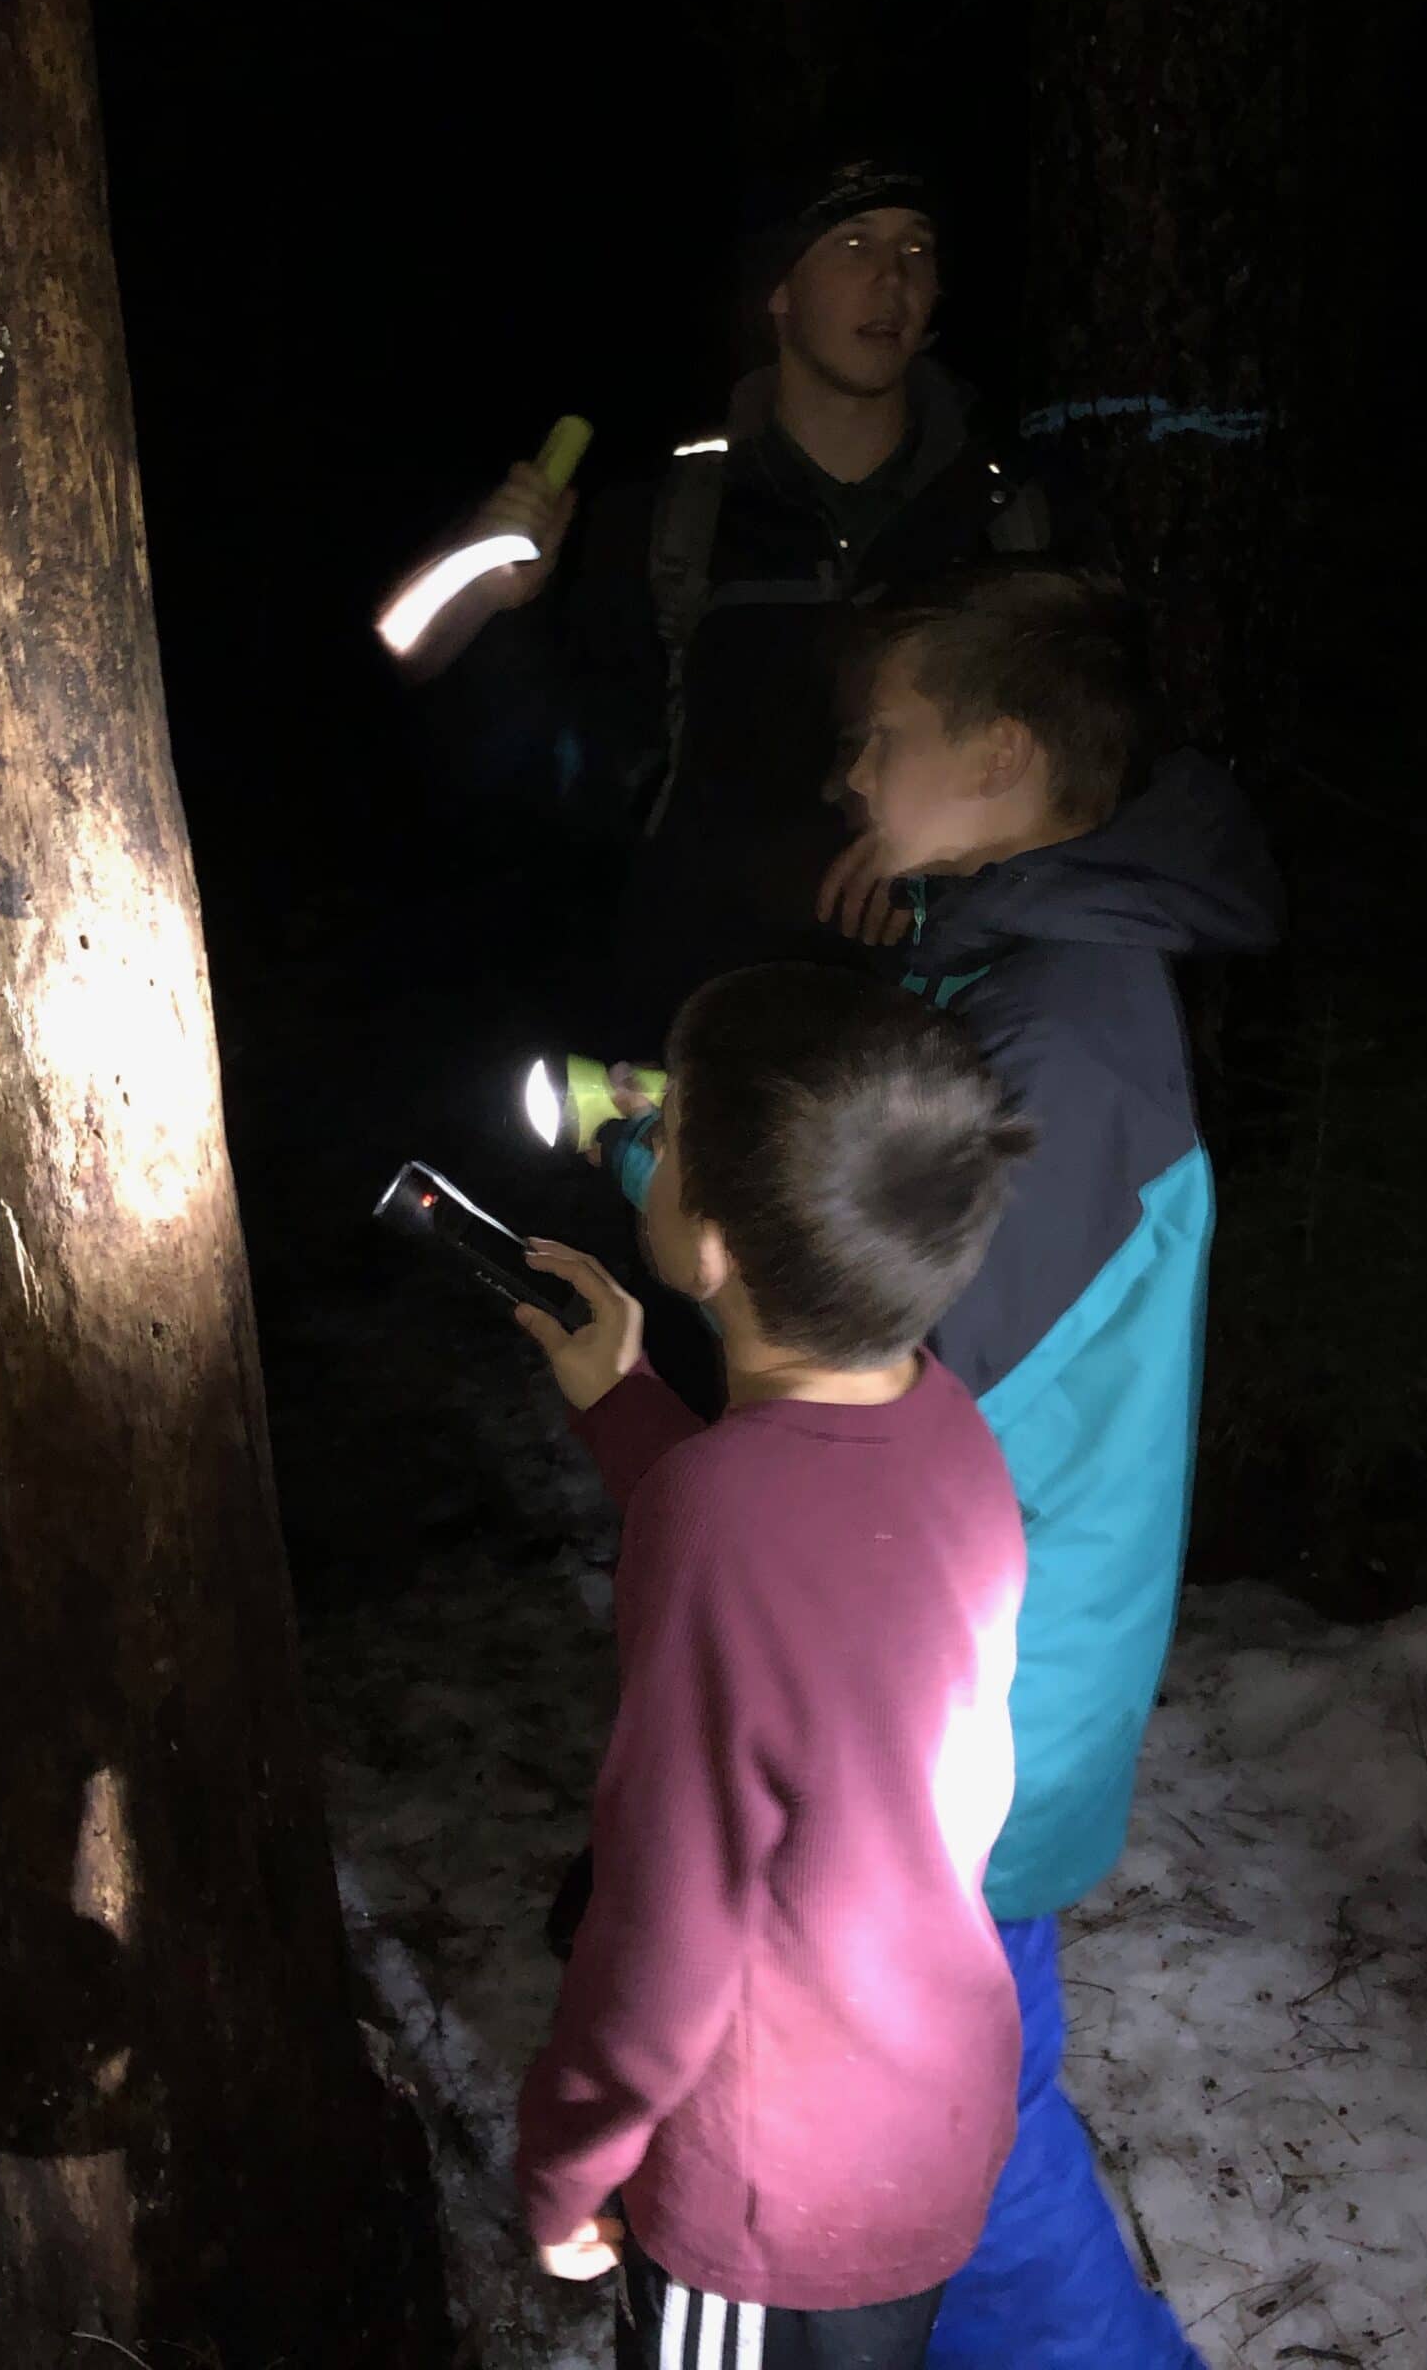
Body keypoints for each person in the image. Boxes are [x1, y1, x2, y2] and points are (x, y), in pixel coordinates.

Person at [841, 562, 1285, 2369]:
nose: (852, 779)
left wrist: (714, 1227)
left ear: (1006, 752)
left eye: (883, 741)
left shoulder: (1066, 1031)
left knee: (972, 2125)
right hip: (987, 1666)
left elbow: (904, 1366)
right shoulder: (1016, 965)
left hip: (981, 1695)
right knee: (971, 2085)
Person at [509, 964, 1035, 2369]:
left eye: (672, 1140)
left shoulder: (719, 1517)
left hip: (767, 2190)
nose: (648, 1149)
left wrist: (565, 2161)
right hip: (923, 2107)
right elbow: (803, 1574)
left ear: (719, 1246)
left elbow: (665, 1920)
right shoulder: (949, 1429)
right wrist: (627, 1408)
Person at [401, 157, 1079, 1039]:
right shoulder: (665, 517)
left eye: (917, 247)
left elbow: (1092, 757)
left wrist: (950, 844)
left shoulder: (1014, 512)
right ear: (778, 296)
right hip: (707, 1035)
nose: (893, 276)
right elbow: (570, 784)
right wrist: (505, 615)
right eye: (851, 244)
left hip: (943, 1042)